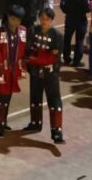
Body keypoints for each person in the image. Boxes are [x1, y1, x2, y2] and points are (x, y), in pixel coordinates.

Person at [23, 8, 65, 143]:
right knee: (35, 97)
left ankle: (57, 130)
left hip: (50, 73)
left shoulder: (57, 36)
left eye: (47, 19)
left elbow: (53, 57)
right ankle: (35, 122)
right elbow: (28, 49)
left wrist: (35, 58)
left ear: (52, 20)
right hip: (35, 72)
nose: (43, 21)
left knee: (54, 100)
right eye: (41, 18)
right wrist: (33, 60)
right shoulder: (33, 31)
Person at [0, 6, 27, 138]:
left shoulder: (22, 32)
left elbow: (23, 51)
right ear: (8, 17)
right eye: (12, 19)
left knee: (7, 97)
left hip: (13, 70)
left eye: (18, 20)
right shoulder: (0, 33)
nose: (15, 22)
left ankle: (3, 121)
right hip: (1, 70)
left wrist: (21, 69)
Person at [59, 0, 90, 67]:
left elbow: (62, 5)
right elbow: (87, 9)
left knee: (67, 38)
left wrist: (67, 11)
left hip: (69, 18)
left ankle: (66, 58)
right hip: (81, 20)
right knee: (79, 40)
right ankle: (77, 61)